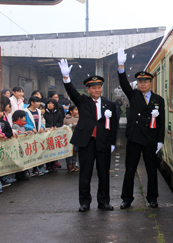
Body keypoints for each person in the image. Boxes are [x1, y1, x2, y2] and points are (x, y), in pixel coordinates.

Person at [58, 59, 118, 212]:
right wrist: (66, 78)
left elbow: (114, 125)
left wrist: (113, 142)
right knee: (85, 173)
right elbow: (72, 92)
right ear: (88, 89)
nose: (97, 90)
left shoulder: (109, 104)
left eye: (99, 87)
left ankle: (103, 202)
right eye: (94, 88)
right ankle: (84, 202)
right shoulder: (83, 101)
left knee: (104, 174)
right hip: (87, 142)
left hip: (103, 142)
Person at [117, 48, 165, 209]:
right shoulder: (134, 95)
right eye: (140, 82)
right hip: (134, 138)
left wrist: (160, 140)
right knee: (130, 169)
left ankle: (152, 198)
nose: (142, 84)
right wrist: (121, 66)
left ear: (151, 83)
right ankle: (126, 198)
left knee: (152, 171)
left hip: (151, 138)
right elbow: (124, 83)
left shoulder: (159, 100)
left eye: (145, 82)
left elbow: (161, 122)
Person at [24, 96, 46, 176]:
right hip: (29, 134)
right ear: (32, 102)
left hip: (37, 135)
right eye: (37, 102)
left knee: (36, 151)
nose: (39, 103)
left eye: (39, 102)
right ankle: (26, 169)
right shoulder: (25, 111)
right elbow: (24, 122)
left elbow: (40, 121)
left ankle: (35, 168)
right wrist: (31, 128)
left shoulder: (39, 111)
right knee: (28, 152)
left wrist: (41, 127)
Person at [63, 105, 79, 172]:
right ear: (71, 111)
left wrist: (73, 124)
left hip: (76, 136)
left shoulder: (79, 118)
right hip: (68, 137)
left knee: (75, 151)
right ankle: (69, 165)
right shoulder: (66, 118)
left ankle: (74, 164)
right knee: (68, 151)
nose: (77, 111)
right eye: (75, 110)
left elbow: (80, 124)